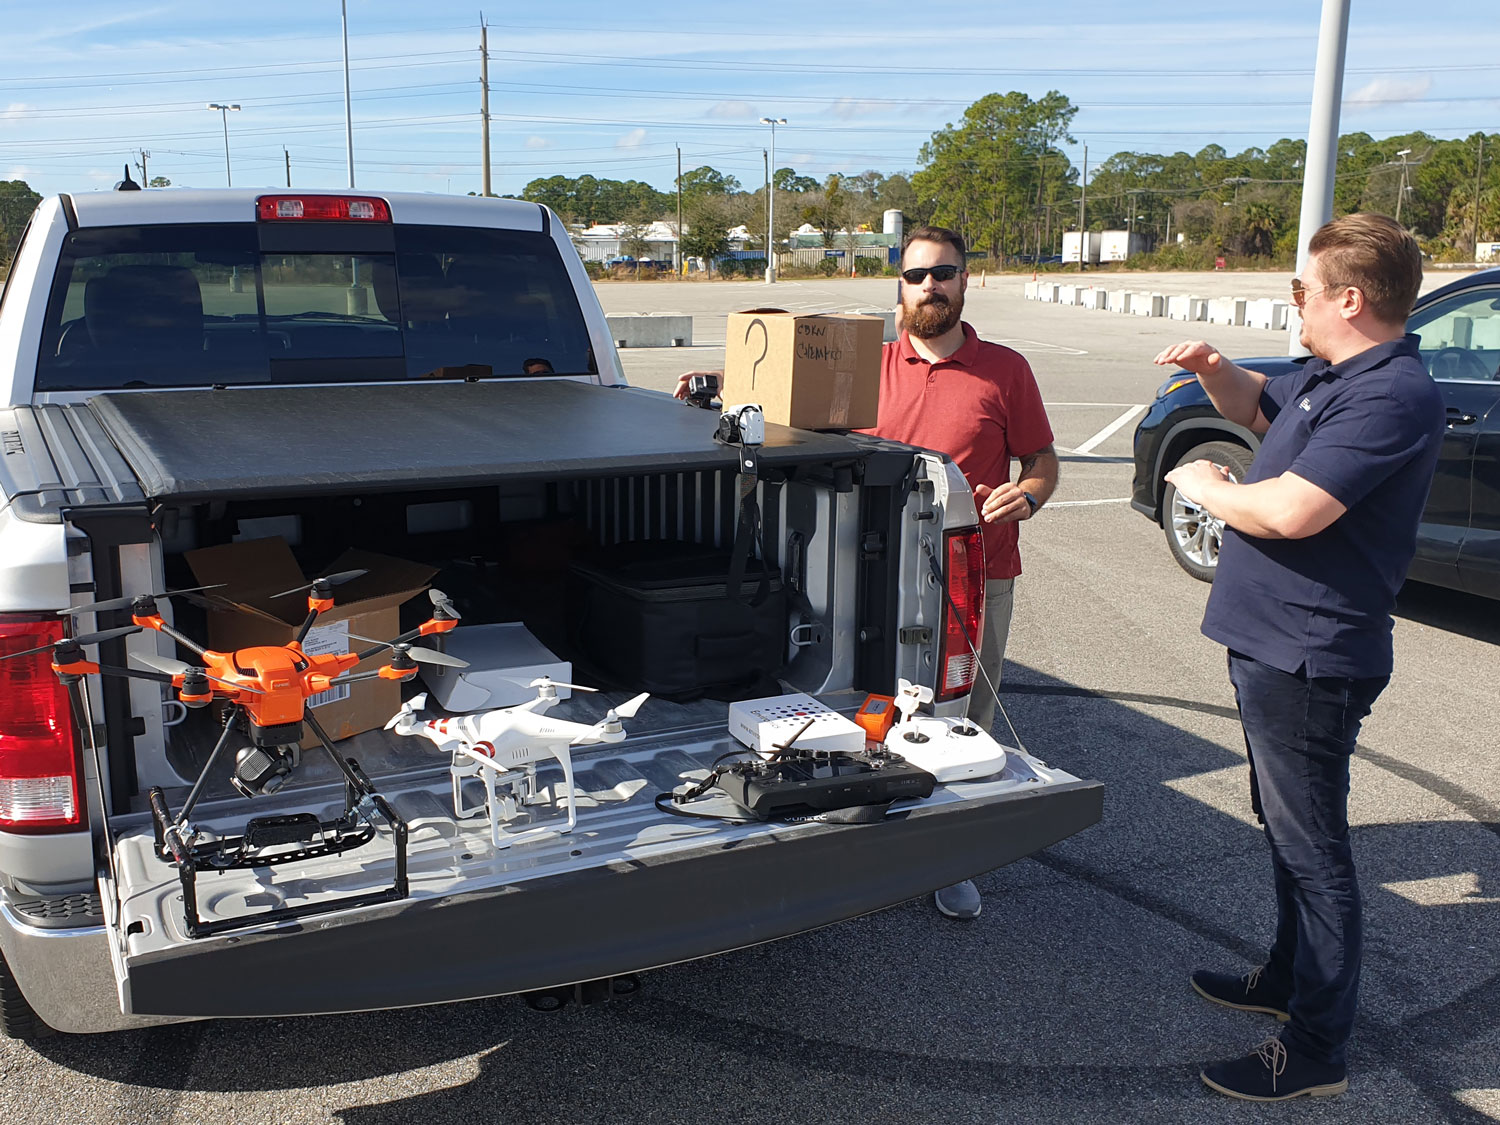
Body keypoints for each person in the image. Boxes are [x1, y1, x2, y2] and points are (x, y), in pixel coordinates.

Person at [676, 225, 1059, 921]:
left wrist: (1030, 492)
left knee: (959, 716)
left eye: (943, 272)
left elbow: (1041, 459)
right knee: (867, 707)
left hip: (974, 576)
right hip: (871, 574)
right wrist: (719, 388)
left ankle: (951, 860)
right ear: (900, 287)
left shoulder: (1006, 370)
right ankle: (863, 826)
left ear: (966, 281)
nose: (929, 286)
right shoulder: (865, 368)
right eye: (916, 275)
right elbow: (783, 403)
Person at [1154, 212, 1444, 1102]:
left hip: (1312, 658)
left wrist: (1205, 485)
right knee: (1285, 828)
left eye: (1302, 291)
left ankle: (1316, 1049)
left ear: (1349, 299)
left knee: (1315, 850)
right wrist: (1212, 371)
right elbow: (1257, 405)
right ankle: (1284, 977)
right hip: (1272, 647)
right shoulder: (1333, 372)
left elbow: (1290, 512)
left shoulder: (1391, 394)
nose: (1296, 306)